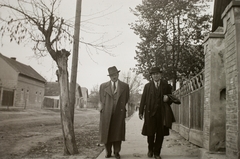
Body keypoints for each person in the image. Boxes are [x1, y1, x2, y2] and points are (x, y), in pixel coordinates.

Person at [139, 67, 173, 159]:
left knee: (160, 133)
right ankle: (150, 149)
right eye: (154, 74)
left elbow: (171, 98)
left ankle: (157, 152)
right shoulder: (147, 86)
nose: (156, 76)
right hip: (150, 113)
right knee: (150, 133)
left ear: (160, 75)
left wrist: (168, 98)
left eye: (157, 73)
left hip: (162, 114)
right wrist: (141, 111)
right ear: (151, 76)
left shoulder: (166, 85)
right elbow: (143, 99)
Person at [99, 66, 130, 159]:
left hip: (119, 113)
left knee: (117, 133)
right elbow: (101, 99)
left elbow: (126, 98)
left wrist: (121, 108)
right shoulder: (103, 86)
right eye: (112, 75)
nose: (114, 76)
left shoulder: (125, 86)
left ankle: (117, 152)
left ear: (118, 74)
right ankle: (108, 152)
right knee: (106, 133)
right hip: (106, 114)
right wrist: (103, 109)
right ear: (109, 76)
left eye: (115, 74)